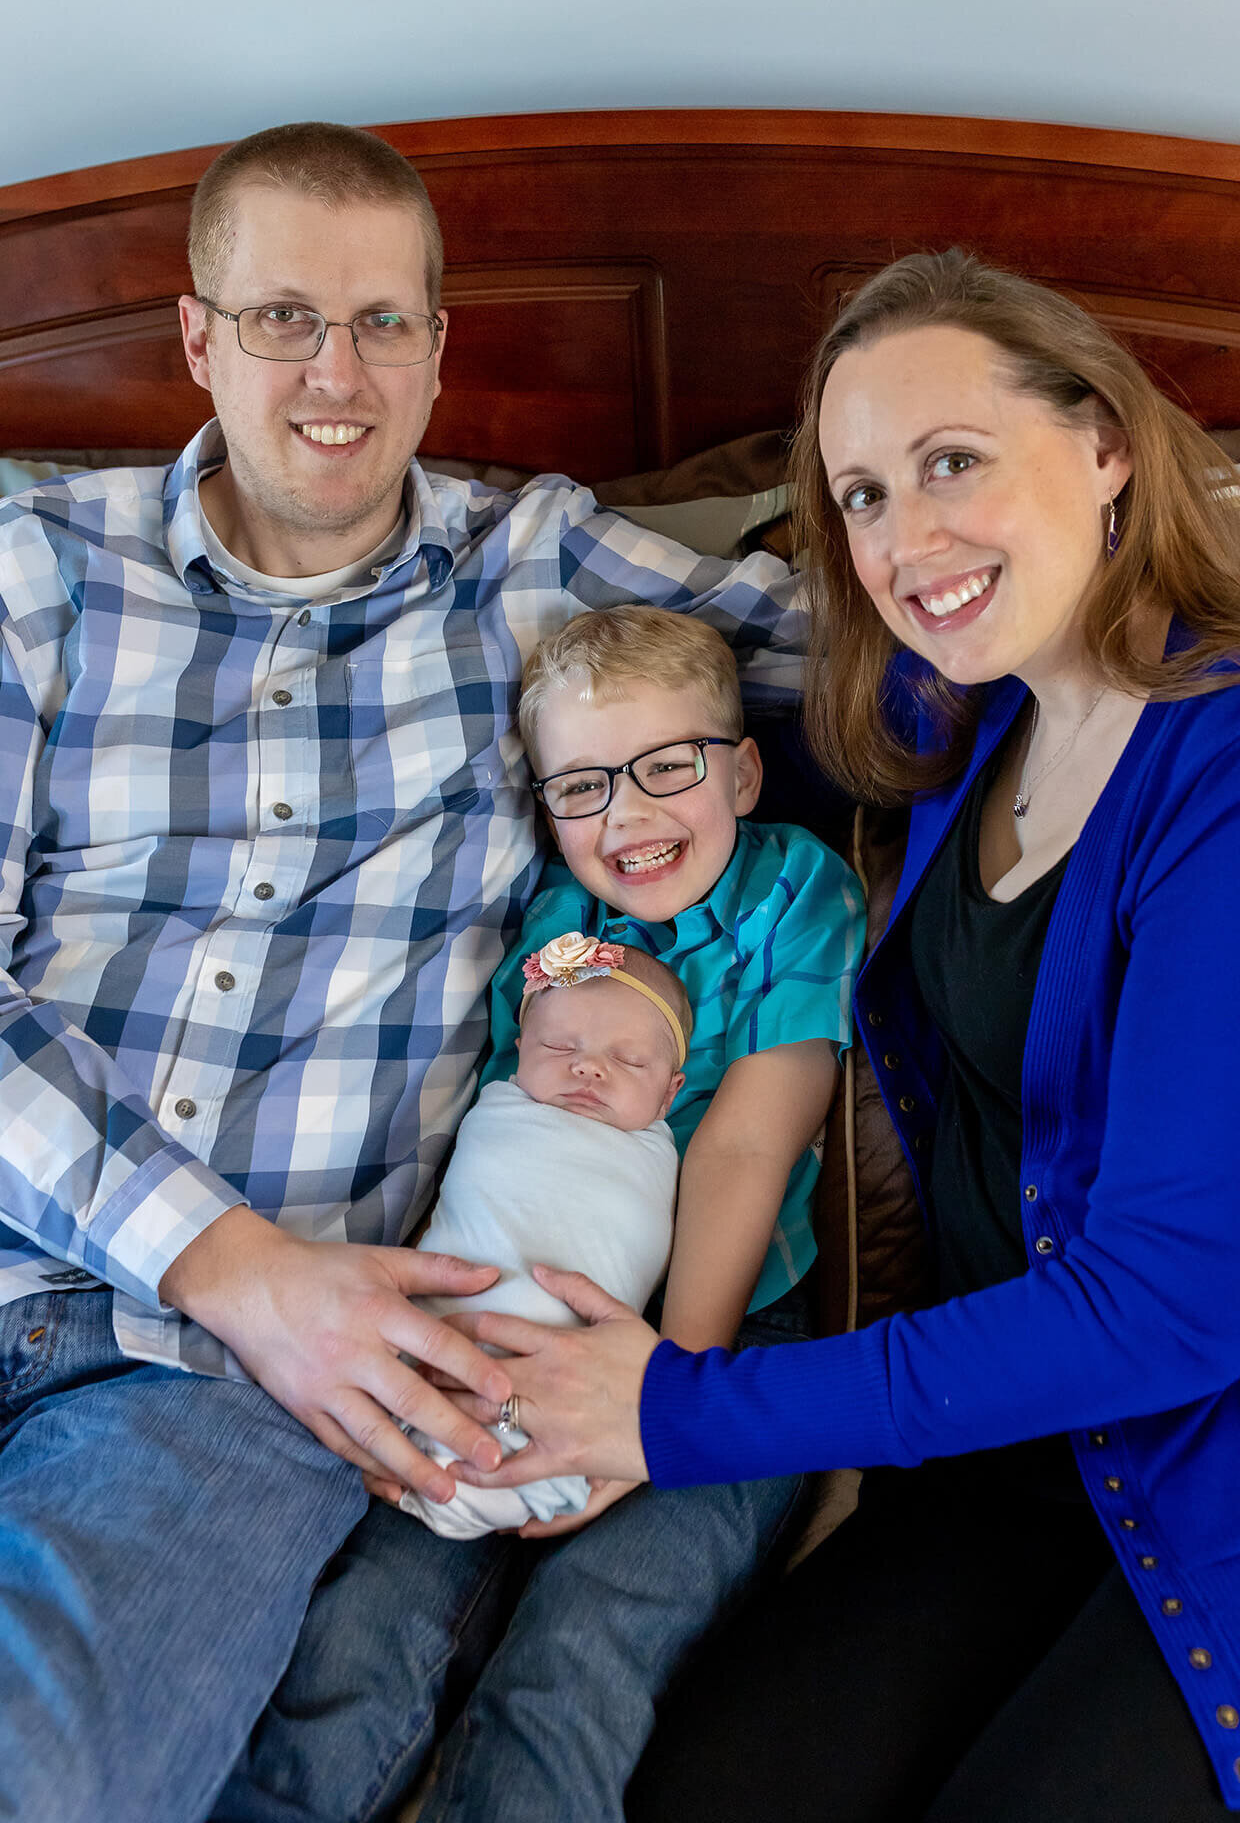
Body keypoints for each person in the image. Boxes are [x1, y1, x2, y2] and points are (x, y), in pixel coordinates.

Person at [445, 253, 1240, 1819]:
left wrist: (672, 1409)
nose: (904, 540)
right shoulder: (967, 723)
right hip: (1033, 1436)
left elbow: (1174, 1310)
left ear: (1104, 448)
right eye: (860, 496)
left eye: (953, 464)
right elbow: (665, 743)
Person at [0, 120, 809, 1823]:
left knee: (44, 1766)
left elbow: (902, 639)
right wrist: (224, 1257)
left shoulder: (533, 569)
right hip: (178, 1270)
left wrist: (1188, 672)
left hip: (212, 1392)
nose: (335, 376)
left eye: (384, 322)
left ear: (444, 349)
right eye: (284, 317)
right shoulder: (35, 578)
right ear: (198, 337)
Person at [217, 604, 866, 1823]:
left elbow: (743, 1139)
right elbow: (512, 1127)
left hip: (726, 1340)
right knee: (363, 1631)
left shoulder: (796, 890)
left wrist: (672, 1388)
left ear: (743, 767)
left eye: (667, 766)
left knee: (581, 1650)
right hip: (510, 1313)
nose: (627, 817)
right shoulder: (562, 930)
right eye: (581, 788)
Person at [402, 935, 688, 1539]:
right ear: (520, 1050)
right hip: (444, 1320)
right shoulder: (499, 1106)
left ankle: (477, 1480)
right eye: (559, 1046)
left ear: (670, 1093)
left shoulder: (656, 1152)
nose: (588, 1067)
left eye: (630, 1060)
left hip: (575, 1367)